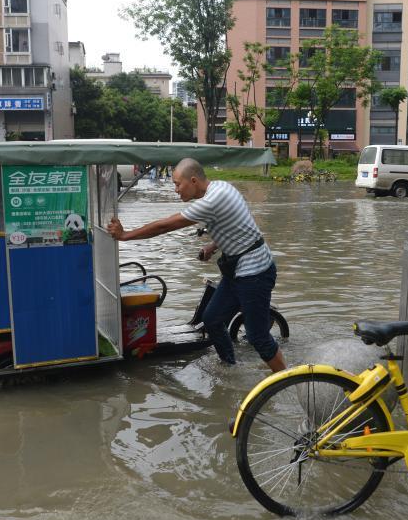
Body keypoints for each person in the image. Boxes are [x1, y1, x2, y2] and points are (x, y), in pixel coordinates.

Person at [107, 158, 287, 373]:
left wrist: (125, 235)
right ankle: (229, 366)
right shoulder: (221, 187)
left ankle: (286, 380)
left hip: (255, 272)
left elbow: (165, 225)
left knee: (259, 338)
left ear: (193, 181)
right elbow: (235, 225)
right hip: (237, 270)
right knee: (211, 319)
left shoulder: (211, 201)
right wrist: (212, 246)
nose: (175, 190)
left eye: (177, 184)